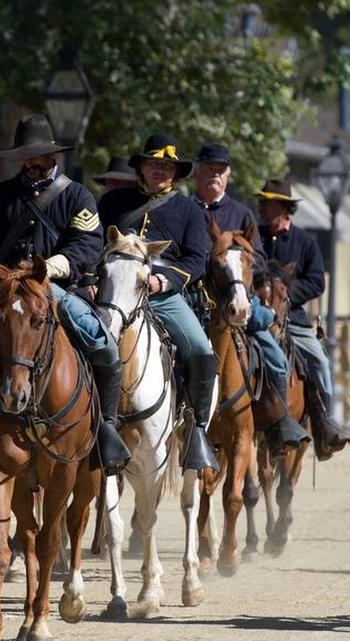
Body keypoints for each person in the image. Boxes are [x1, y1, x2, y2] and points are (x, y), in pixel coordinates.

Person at [0, 114, 131, 475]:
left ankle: (106, 429)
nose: (31, 163)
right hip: (5, 291)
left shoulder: (77, 196)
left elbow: (87, 245)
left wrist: (55, 266)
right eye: (25, 157)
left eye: (37, 156)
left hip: (55, 288)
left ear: (52, 156)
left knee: (104, 346)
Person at [96, 133, 219, 474]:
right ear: (141, 168)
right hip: (115, 291)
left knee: (200, 348)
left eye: (166, 166)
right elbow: (95, 247)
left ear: (176, 173)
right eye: (153, 164)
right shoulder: (113, 203)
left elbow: (196, 260)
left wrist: (162, 280)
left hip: (162, 292)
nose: (160, 171)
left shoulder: (190, 211)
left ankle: (197, 431)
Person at [192, 147, 305, 449]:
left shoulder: (241, 213)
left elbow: (258, 259)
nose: (213, 175)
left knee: (276, 357)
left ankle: (280, 422)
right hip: (194, 298)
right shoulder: (184, 208)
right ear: (196, 173)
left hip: (238, 298)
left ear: (227, 176)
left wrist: (249, 286)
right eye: (208, 169)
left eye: (220, 170)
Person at [255, 179, 348, 458]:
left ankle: (325, 425)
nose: (263, 206)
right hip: (255, 314)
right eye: (263, 201)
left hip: (292, 317)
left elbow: (317, 282)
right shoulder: (255, 236)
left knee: (319, 361)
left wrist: (284, 298)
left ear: (284, 207)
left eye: (269, 202)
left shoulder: (305, 242)